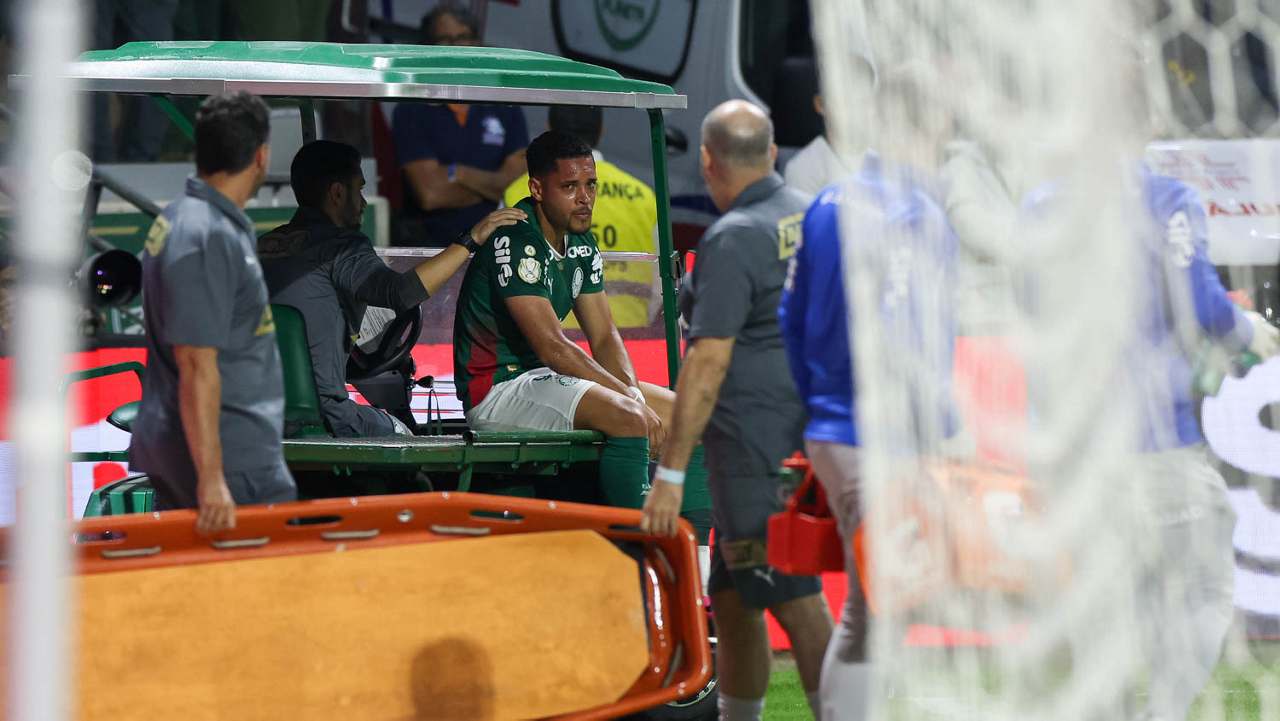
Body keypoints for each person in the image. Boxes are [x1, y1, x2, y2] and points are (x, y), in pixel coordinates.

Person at [639, 100, 834, 721]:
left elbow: (706, 365)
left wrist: (669, 475)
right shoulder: (813, 218)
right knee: (732, 594)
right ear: (773, 153)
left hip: (753, 446)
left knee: (792, 596)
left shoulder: (731, 239)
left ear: (707, 161)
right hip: (803, 431)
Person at [453, 129, 711, 538]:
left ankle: (696, 564)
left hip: (550, 383)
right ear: (537, 188)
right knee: (629, 418)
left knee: (689, 415)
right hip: (498, 390)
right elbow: (552, 346)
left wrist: (634, 392)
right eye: (569, 187)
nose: (584, 197)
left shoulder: (580, 243)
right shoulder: (515, 240)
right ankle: (639, 554)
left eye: (590, 184)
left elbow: (605, 336)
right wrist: (631, 402)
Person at [258, 140, 525, 437]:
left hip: (256, 414)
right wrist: (471, 239)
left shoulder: (263, 245)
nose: (363, 203)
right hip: (323, 415)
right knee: (405, 437)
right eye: (358, 189)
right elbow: (401, 293)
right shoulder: (340, 246)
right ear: (336, 193)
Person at [130, 91, 293, 534]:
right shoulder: (203, 235)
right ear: (261, 156)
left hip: (226, 453)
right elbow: (195, 363)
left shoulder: (195, 221)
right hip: (228, 462)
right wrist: (213, 479)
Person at [503, 105, 659, 329]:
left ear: (548, 131)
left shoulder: (520, 192)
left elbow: (504, 276)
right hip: (628, 336)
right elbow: (661, 286)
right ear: (601, 130)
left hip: (547, 339)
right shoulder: (643, 196)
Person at [393, 1, 529, 247]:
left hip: (497, 250)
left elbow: (517, 187)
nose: (455, 47)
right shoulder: (411, 109)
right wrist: (494, 188)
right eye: (444, 39)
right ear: (428, 48)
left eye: (462, 37)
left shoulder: (505, 105)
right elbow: (430, 195)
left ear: (477, 43)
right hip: (431, 250)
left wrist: (459, 173)